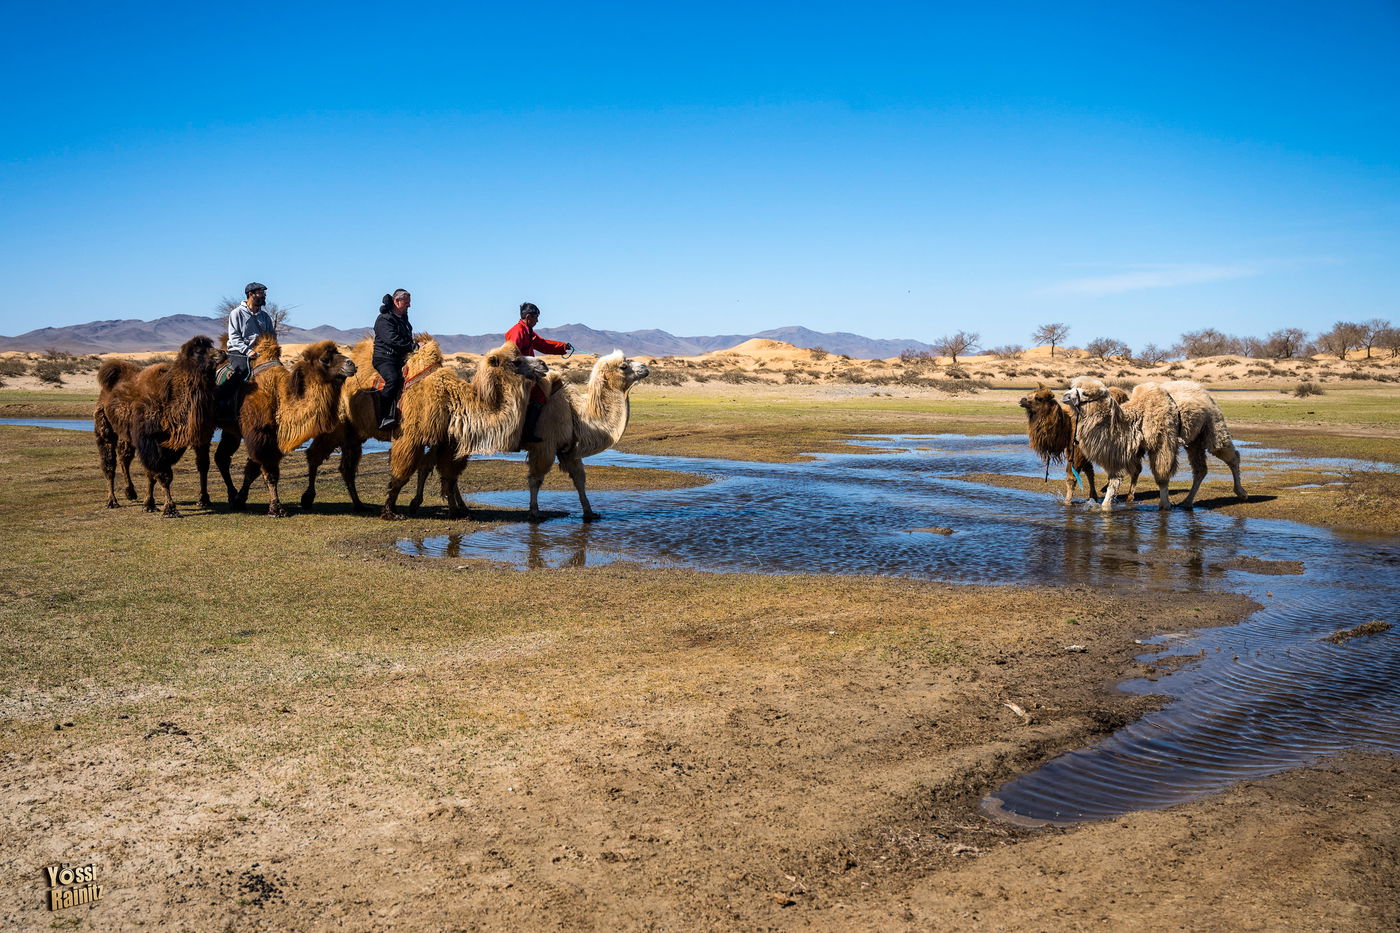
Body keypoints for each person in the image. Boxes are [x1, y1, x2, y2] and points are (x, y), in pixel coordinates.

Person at [505, 302, 573, 446]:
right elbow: (512, 356)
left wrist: (563, 347)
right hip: (520, 376)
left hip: (528, 373)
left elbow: (542, 344)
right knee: (539, 396)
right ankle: (527, 433)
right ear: (528, 317)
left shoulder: (527, 331)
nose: (537, 320)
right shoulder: (518, 332)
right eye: (536, 317)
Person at [220, 282, 274, 417]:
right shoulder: (236, 313)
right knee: (242, 371)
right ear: (251, 295)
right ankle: (223, 403)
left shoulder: (265, 317)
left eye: (264, 293)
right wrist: (248, 351)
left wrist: (269, 348)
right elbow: (234, 338)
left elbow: (271, 336)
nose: (264, 296)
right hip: (239, 351)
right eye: (261, 293)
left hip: (260, 352)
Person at [373, 289, 416, 429]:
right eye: (407, 303)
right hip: (385, 358)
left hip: (400, 358)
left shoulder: (403, 319)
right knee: (394, 379)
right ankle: (383, 416)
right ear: (397, 301)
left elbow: (406, 338)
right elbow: (393, 340)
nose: (409, 306)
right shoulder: (384, 319)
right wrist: (413, 346)